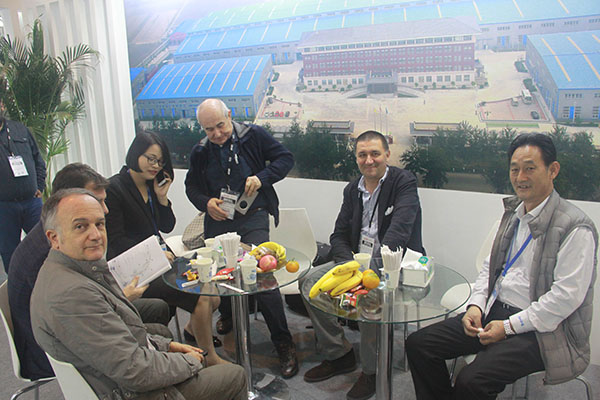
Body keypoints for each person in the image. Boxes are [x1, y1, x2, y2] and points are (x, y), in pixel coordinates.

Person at [406, 133, 597, 400]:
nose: (520, 177)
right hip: (495, 310)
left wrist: (508, 327)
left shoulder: (575, 227)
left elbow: (564, 299)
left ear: (553, 170)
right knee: (419, 344)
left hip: (542, 330)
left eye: (530, 168)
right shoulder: (513, 213)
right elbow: (490, 268)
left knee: (471, 381)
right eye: (514, 169)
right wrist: (475, 306)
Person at [31, 189, 247, 400]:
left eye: (99, 224)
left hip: (114, 377)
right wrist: (191, 362)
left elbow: (116, 337)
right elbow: (136, 372)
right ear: (54, 238)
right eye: (80, 226)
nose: (96, 235)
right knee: (235, 375)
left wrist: (165, 346)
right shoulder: (73, 296)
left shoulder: (66, 271)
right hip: (131, 391)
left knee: (164, 332)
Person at [7, 163, 171, 380]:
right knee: (158, 332)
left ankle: (157, 363)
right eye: (96, 201)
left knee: (157, 310)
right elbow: (78, 311)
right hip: (49, 350)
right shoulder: (48, 254)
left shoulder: (53, 235)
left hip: (69, 321)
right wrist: (123, 298)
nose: (105, 210)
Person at [302, 130, 424, 400]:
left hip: (391, 266)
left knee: (370, 296)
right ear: (356, 158)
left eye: (375, 154)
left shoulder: (404, 182)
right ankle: (339, 353)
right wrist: (349, 267)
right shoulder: (352, 189)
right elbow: (338, 235)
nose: (369, 160)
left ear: (387, 155)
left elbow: (399, 234)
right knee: (308, 282)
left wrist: (368, 273)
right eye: (362, 155)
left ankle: (372, 371)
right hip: (356, 264)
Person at [185, 98, 298, 378]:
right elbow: (191, 187)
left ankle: (283, 342)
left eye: (220, 126)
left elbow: (286, 159)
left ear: (229, 115)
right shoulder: (200, 150)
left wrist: (262, 177)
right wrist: (206, 203)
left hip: (253, 215)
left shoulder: (253, 135)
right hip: (219, 219)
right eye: (209, 129)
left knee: (262, 274)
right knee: (220, 274)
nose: (216, 134)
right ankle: (229, 314)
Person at [105, 132, 225, 365]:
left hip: (160, 260)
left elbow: (167, 226)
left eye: (159, 161)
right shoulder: (115, 188)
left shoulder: (151, 186)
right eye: (150, 159)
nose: (155, 166)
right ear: (135, 154)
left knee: (211, 288)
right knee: (201, 294)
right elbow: (116, 241)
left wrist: (162, 198)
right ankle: (209, 358)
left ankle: (192, 329)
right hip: (135, 270)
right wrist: (154, 254)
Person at [0, 115, 46, 272]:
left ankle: (48, 279)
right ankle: (18, 284)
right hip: (4, 207)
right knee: (10, 253)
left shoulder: (20, 129)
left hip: (32, 202)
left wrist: (40, 186)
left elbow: (38, 159)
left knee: (45, 244)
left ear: (2, 106)